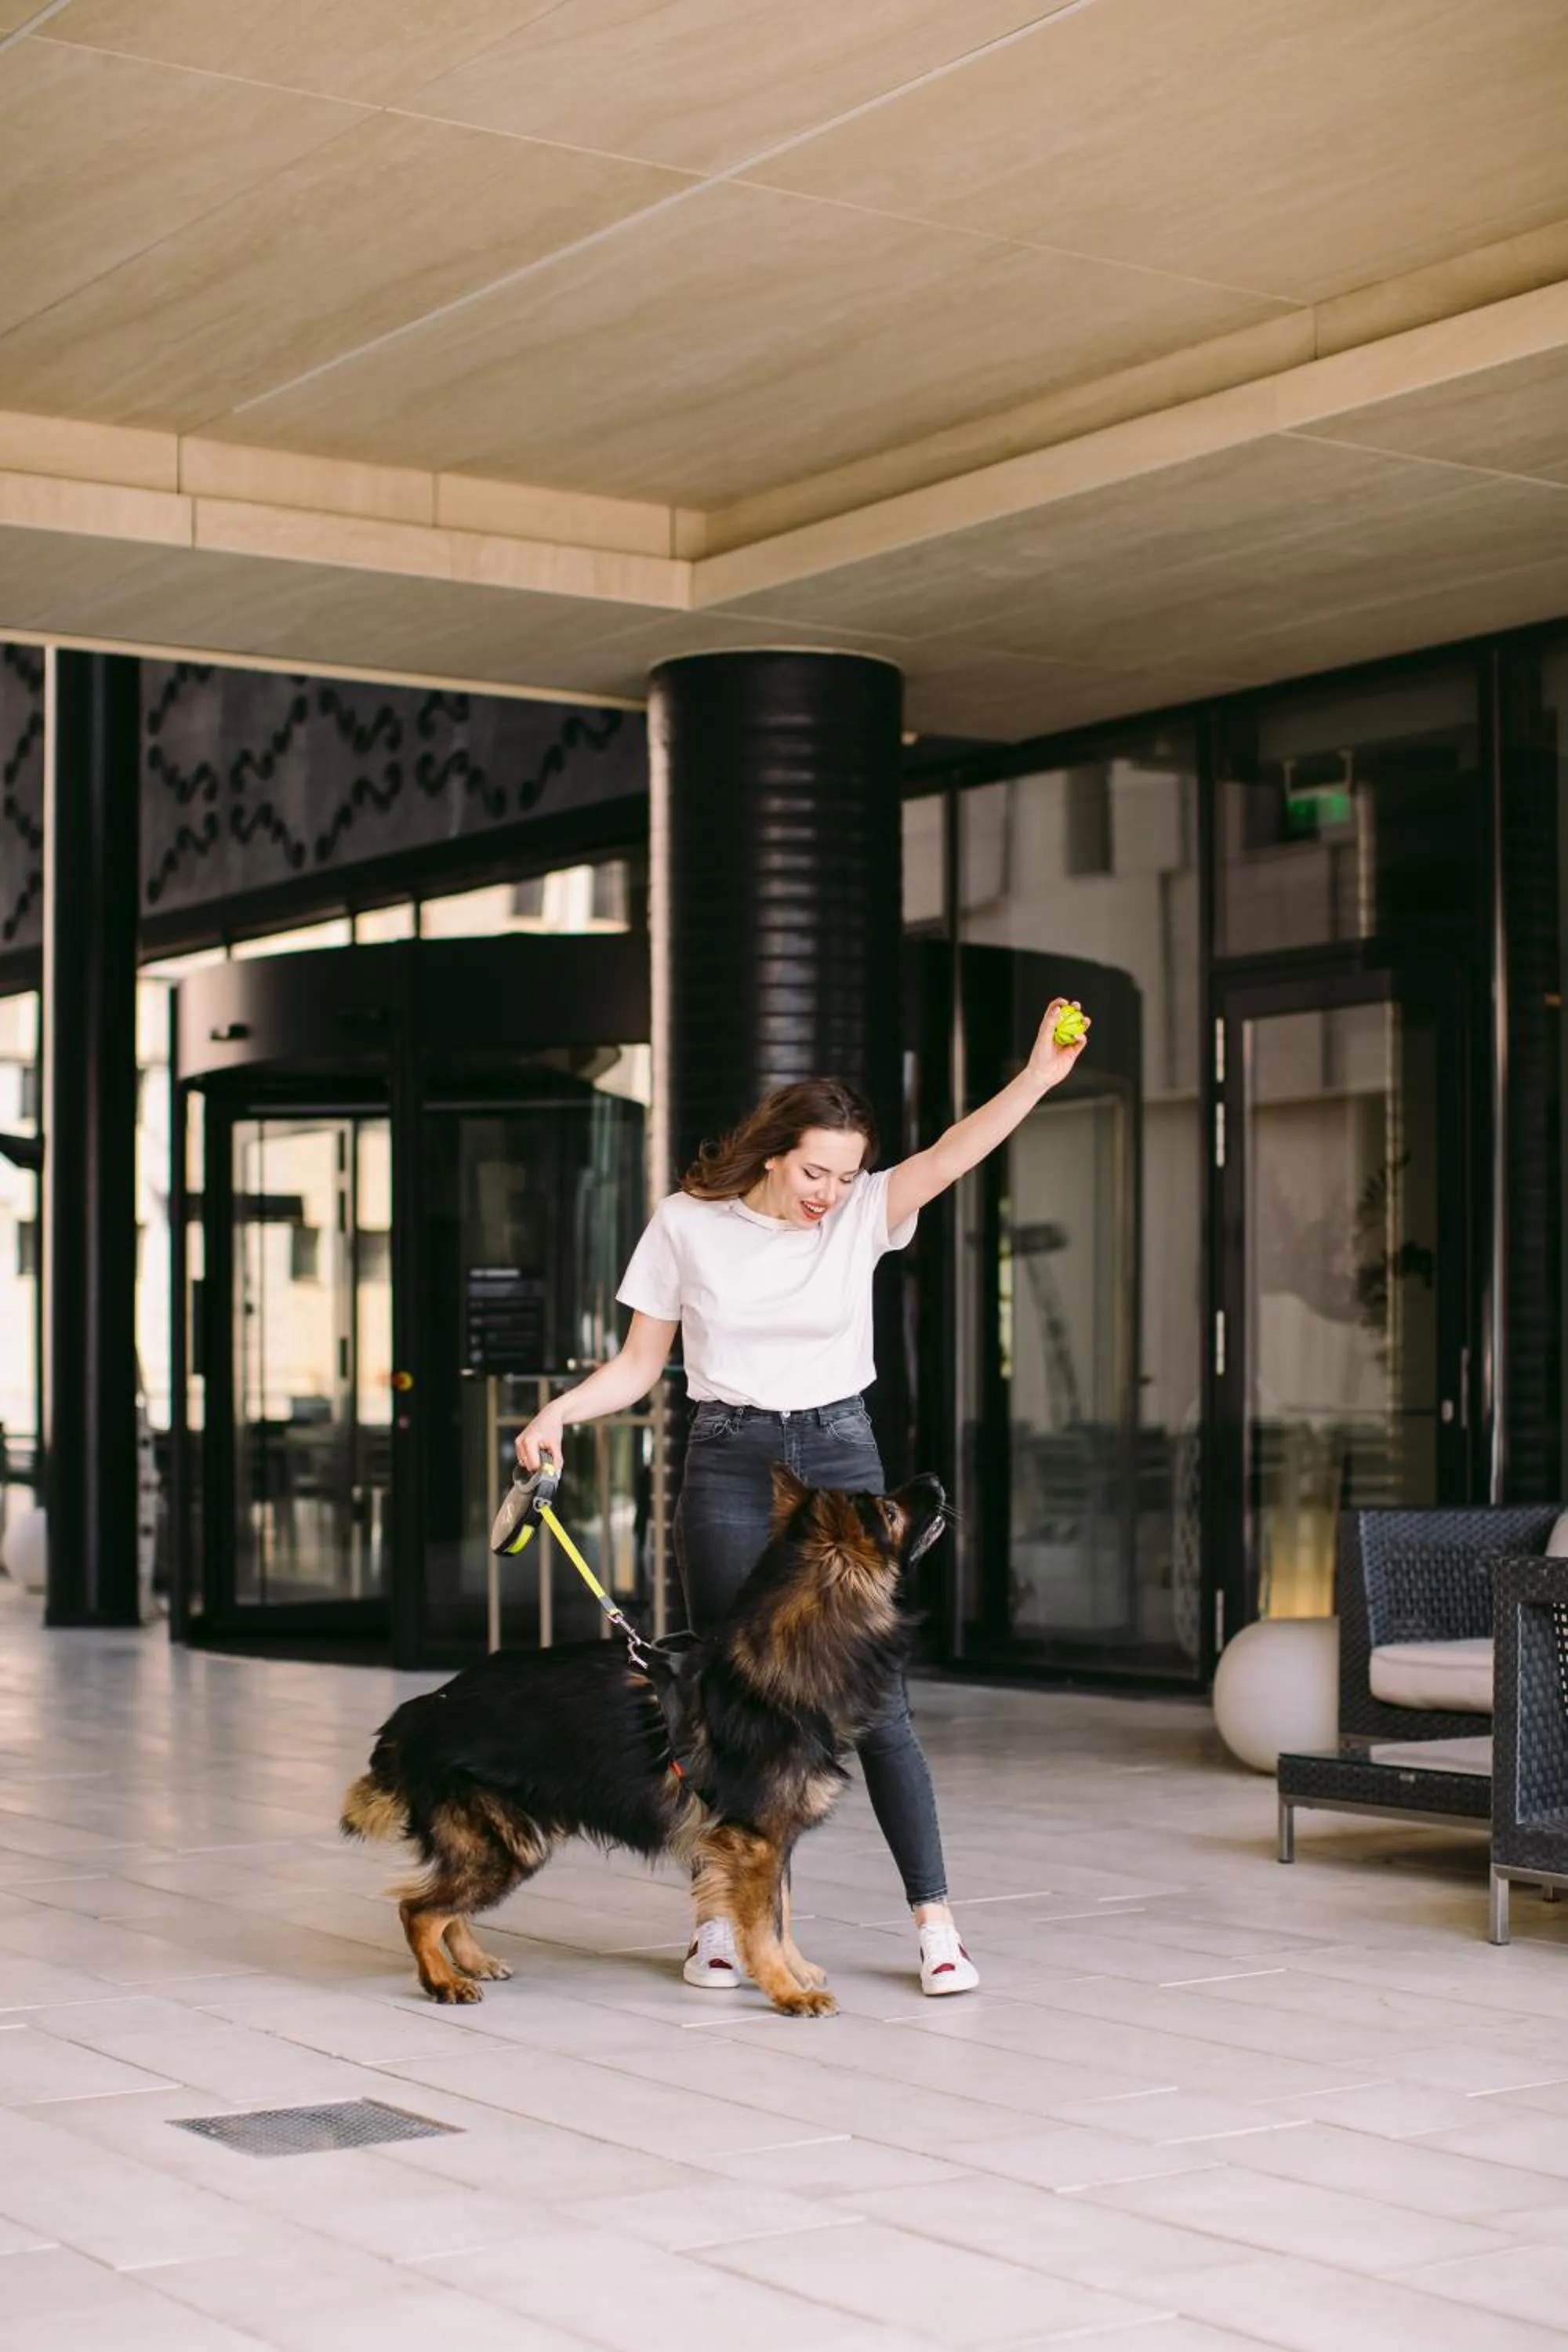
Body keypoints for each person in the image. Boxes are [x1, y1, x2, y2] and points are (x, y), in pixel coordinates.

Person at [516, 996, 1091, 1998]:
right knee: (719, 1706)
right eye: (814, 1170)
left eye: (846, 1173)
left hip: (837, 1452)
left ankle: (936, 1926)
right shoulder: (687, 1225)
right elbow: (638, 1365)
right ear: (775, 1152)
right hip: (730, 1459)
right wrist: (559, 1412)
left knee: (881, 1711)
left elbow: (957, 1149)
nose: (830, 1191)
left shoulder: (866, 1213)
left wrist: (1039, 1074)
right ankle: (723, 1927)